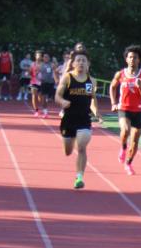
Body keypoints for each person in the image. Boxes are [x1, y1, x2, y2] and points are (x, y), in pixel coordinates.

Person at [54, 46, 98, 189]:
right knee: (68, 151)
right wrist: (62, 102)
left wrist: (97, 112)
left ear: (88, 64)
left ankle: (79, 177)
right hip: (68, 119)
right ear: (73, 63)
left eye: (83, 60)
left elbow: (91, 99)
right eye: (78, 60)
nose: (81, 63)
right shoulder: (67, 78)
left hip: (84, 119)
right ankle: (69, 140)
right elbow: (57, 96)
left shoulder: (91, 81)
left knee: (82, 147)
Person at [110, 46, 141, 174]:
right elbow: (112, 87)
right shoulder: (120, 74)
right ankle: (123, 147)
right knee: (125, 130)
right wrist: (113, 103)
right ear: (126, 59)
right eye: (130, 57)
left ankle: (129, 163)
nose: (132, 59)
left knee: (135, 139)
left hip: (137, 110)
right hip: (124, 108)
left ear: (139, 60)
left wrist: (140, 87)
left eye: (135, 57)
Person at [33, 51, 55, 116]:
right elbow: (36, 73)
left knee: (52, 99)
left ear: (49, 58)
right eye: (44, 57)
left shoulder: (52, 65)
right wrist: (38, 78)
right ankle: (45, 111)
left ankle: (61, 110)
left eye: (47, 57)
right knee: (43, 97)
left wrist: (56, 80)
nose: (46, 58)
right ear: (43, 58)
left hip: (51, 83)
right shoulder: (40, 65)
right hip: (43, 83)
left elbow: (55, 73)